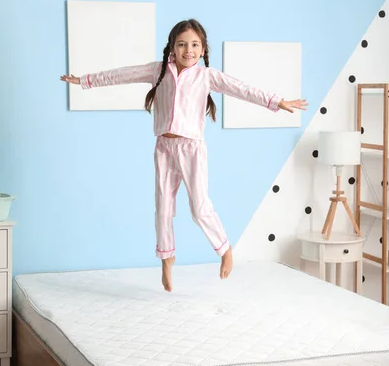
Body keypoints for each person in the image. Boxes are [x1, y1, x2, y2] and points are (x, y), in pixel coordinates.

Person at [61, 19, 307, 292]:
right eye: (182, 44)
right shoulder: (158, 71)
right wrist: (84, 80)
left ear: (202, 50)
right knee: (163, 209)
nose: (188, 50)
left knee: (199, 207)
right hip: (164, 148)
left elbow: (242, 89)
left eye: (194, 45)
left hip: (191, 148)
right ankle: (167, 260)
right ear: (172, 47)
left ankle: (224, 249)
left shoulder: (206, 76)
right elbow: (122, 74)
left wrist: (277, 101)